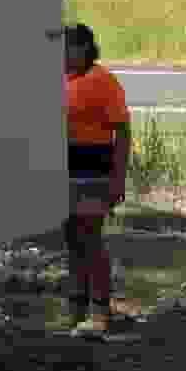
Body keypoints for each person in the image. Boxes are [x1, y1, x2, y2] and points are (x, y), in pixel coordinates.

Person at [62, 22, 131, 337]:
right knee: (72, 241)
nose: (65, 54)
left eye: (71, 48)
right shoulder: (59, 79)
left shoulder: (103, 81)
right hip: (63, 171)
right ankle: (76, 311)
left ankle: (100, 311)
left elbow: (123, 131)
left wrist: (118, 178)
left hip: (95, 169)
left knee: (91, 239)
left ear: (86, 49)